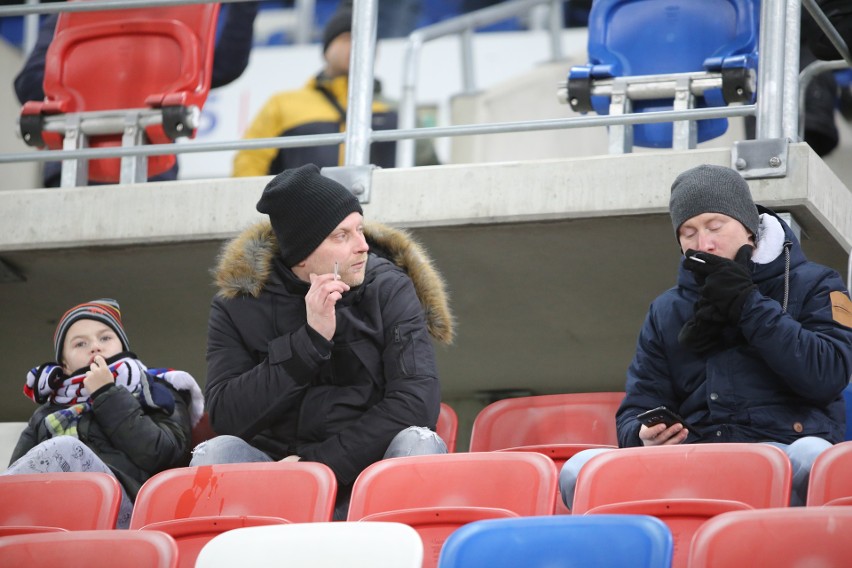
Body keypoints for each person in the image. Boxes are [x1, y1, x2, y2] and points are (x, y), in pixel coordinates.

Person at [558, 164, 852, 508]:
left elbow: (827, 374)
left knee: (815, 459)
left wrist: (747, 303)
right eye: (688, 233)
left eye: (716, 226)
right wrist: (642, 437)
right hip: (692, 456)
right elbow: (638, 406)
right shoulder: (666, 309)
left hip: (783, 447)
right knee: (578, 470)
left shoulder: (816, 283)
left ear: (748, 228)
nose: (704, 243)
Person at [192, 163, 454, 520]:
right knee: (216, 453)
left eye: (360, 229)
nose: (363, 246)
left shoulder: (389, 287)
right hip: (277, 475)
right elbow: (226, 415)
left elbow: (417, 403)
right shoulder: (238, 304)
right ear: (302, 254)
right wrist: (309, 342)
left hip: (365, 469)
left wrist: (316, 465)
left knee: (419, 443)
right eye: (342, 236)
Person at [3, 299, 202, 529]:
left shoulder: (156, 390)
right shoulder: (45, 414)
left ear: (122, 346)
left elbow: (165, 454)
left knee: (65, 448)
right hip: (55, 519)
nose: (95, 347)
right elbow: (15, 483)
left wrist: (107, 394)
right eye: (80, 344)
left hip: (132, 513)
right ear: (65, 365)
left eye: (105, 338)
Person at [14, 2, 259, 187]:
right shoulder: (79, 8)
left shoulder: (173, 11)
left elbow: (221, 67)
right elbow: (30, 82)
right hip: (72, 166)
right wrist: (107, 78)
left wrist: (244, 6)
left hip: (151, 167)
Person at [232, 7, 437, 176]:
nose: (358, 47)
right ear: (326, 49)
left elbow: (428, 169)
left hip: (381, 219)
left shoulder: (399, 110)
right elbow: (249, 166)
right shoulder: (283, 104)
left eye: (368, 42)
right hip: (301, 218)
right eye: (347, 38)